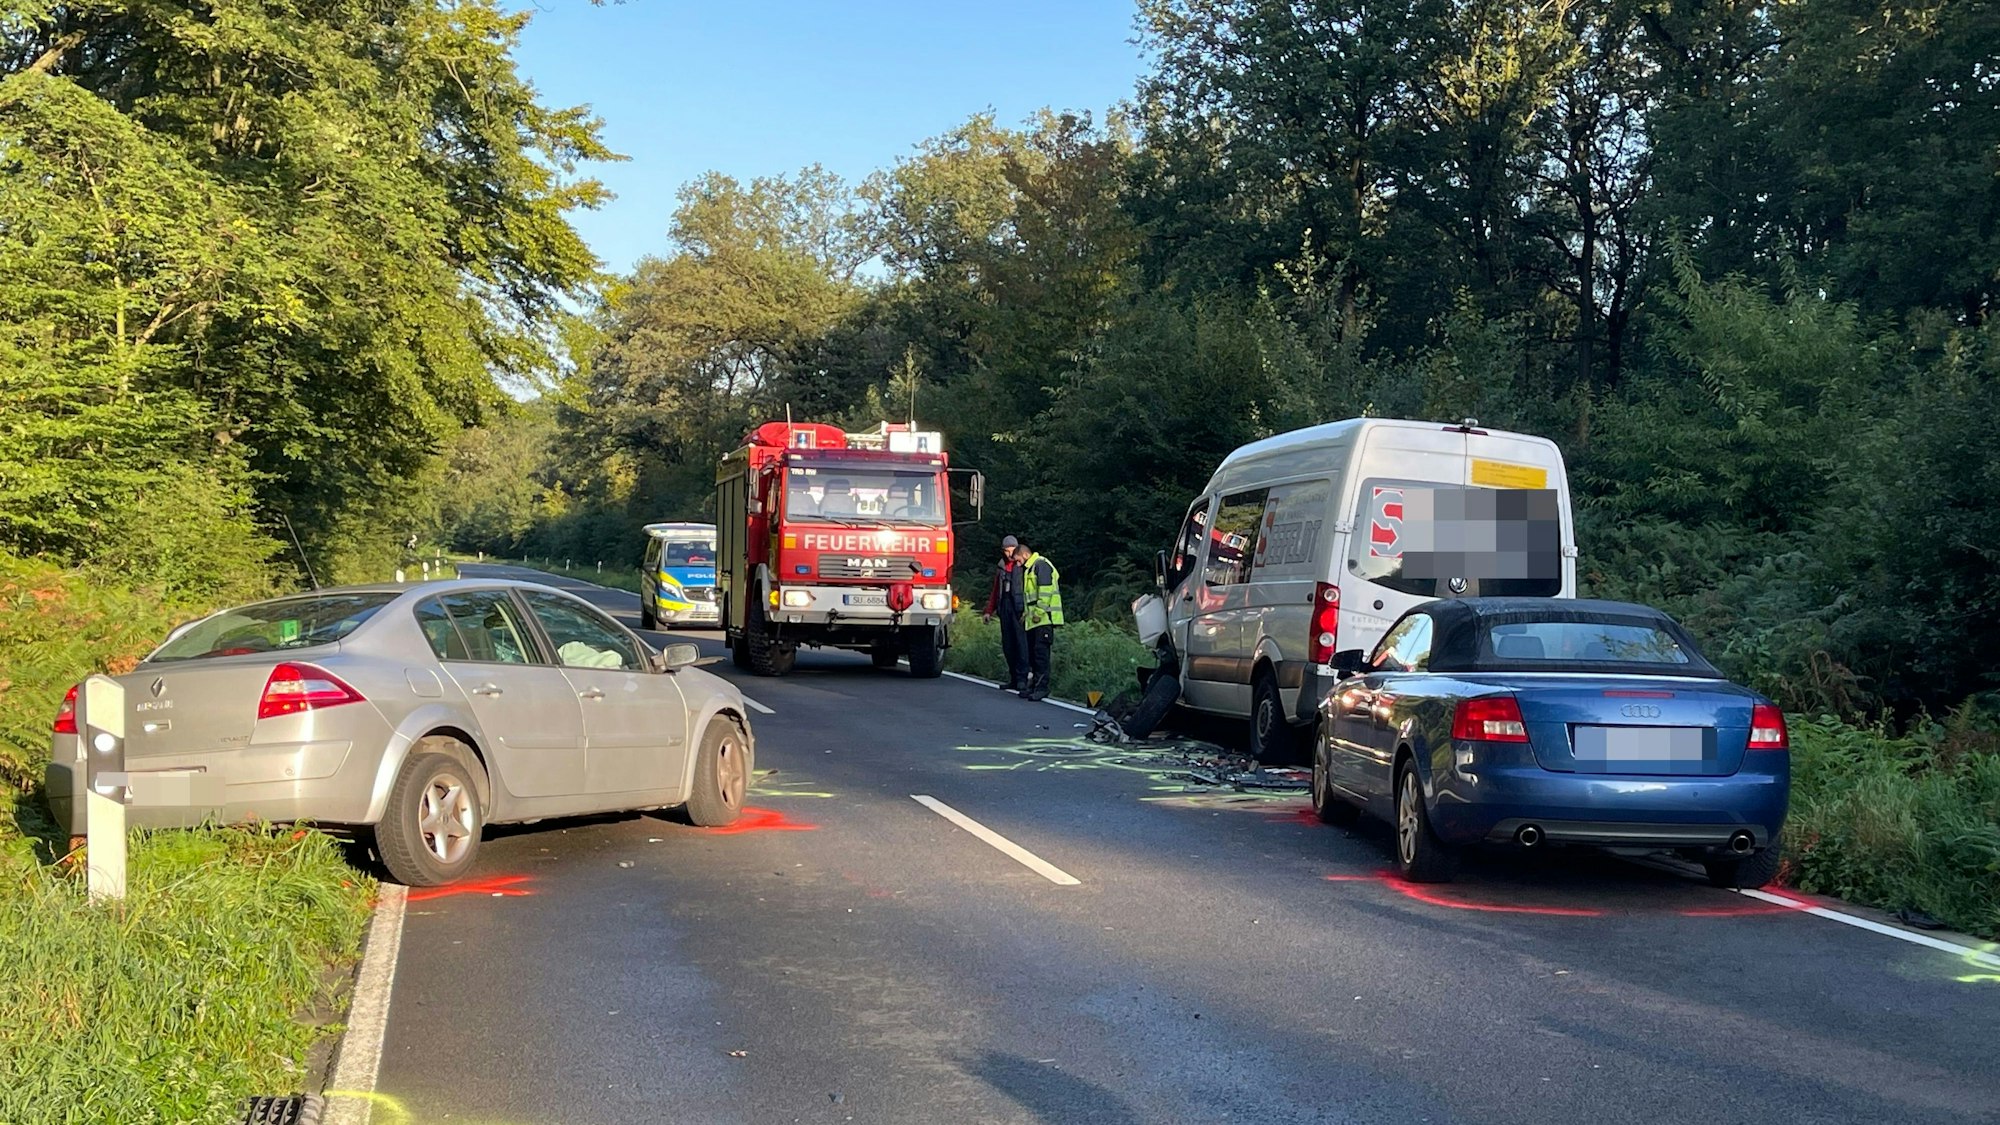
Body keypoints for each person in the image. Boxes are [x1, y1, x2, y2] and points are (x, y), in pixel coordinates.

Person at [1014, 537, 1064, 702]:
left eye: (1018, 560)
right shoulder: (1030, 568)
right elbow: (1031, 597)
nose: (1017, 564)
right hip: (1034, 620)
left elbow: (1045, 592)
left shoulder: (1041, 565)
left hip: (1044, 619)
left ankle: (1042, 687)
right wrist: (1027, 615)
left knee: (1041, 655)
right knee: (1034, 655)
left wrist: (1039, 612)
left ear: (1025, 554)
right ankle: (1035, 686)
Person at [982, 535, 1028, 691]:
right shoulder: (1001, 566)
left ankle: (1023, 679)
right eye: (1006, 551)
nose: (1009, 554)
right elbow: (996, 590)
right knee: (1008, 646)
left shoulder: (1022, 566)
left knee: (1021, 644)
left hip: (1019, 608)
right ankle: (1013, 678)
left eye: (1011, 551)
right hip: (1005, 607)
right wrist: (989, 611)